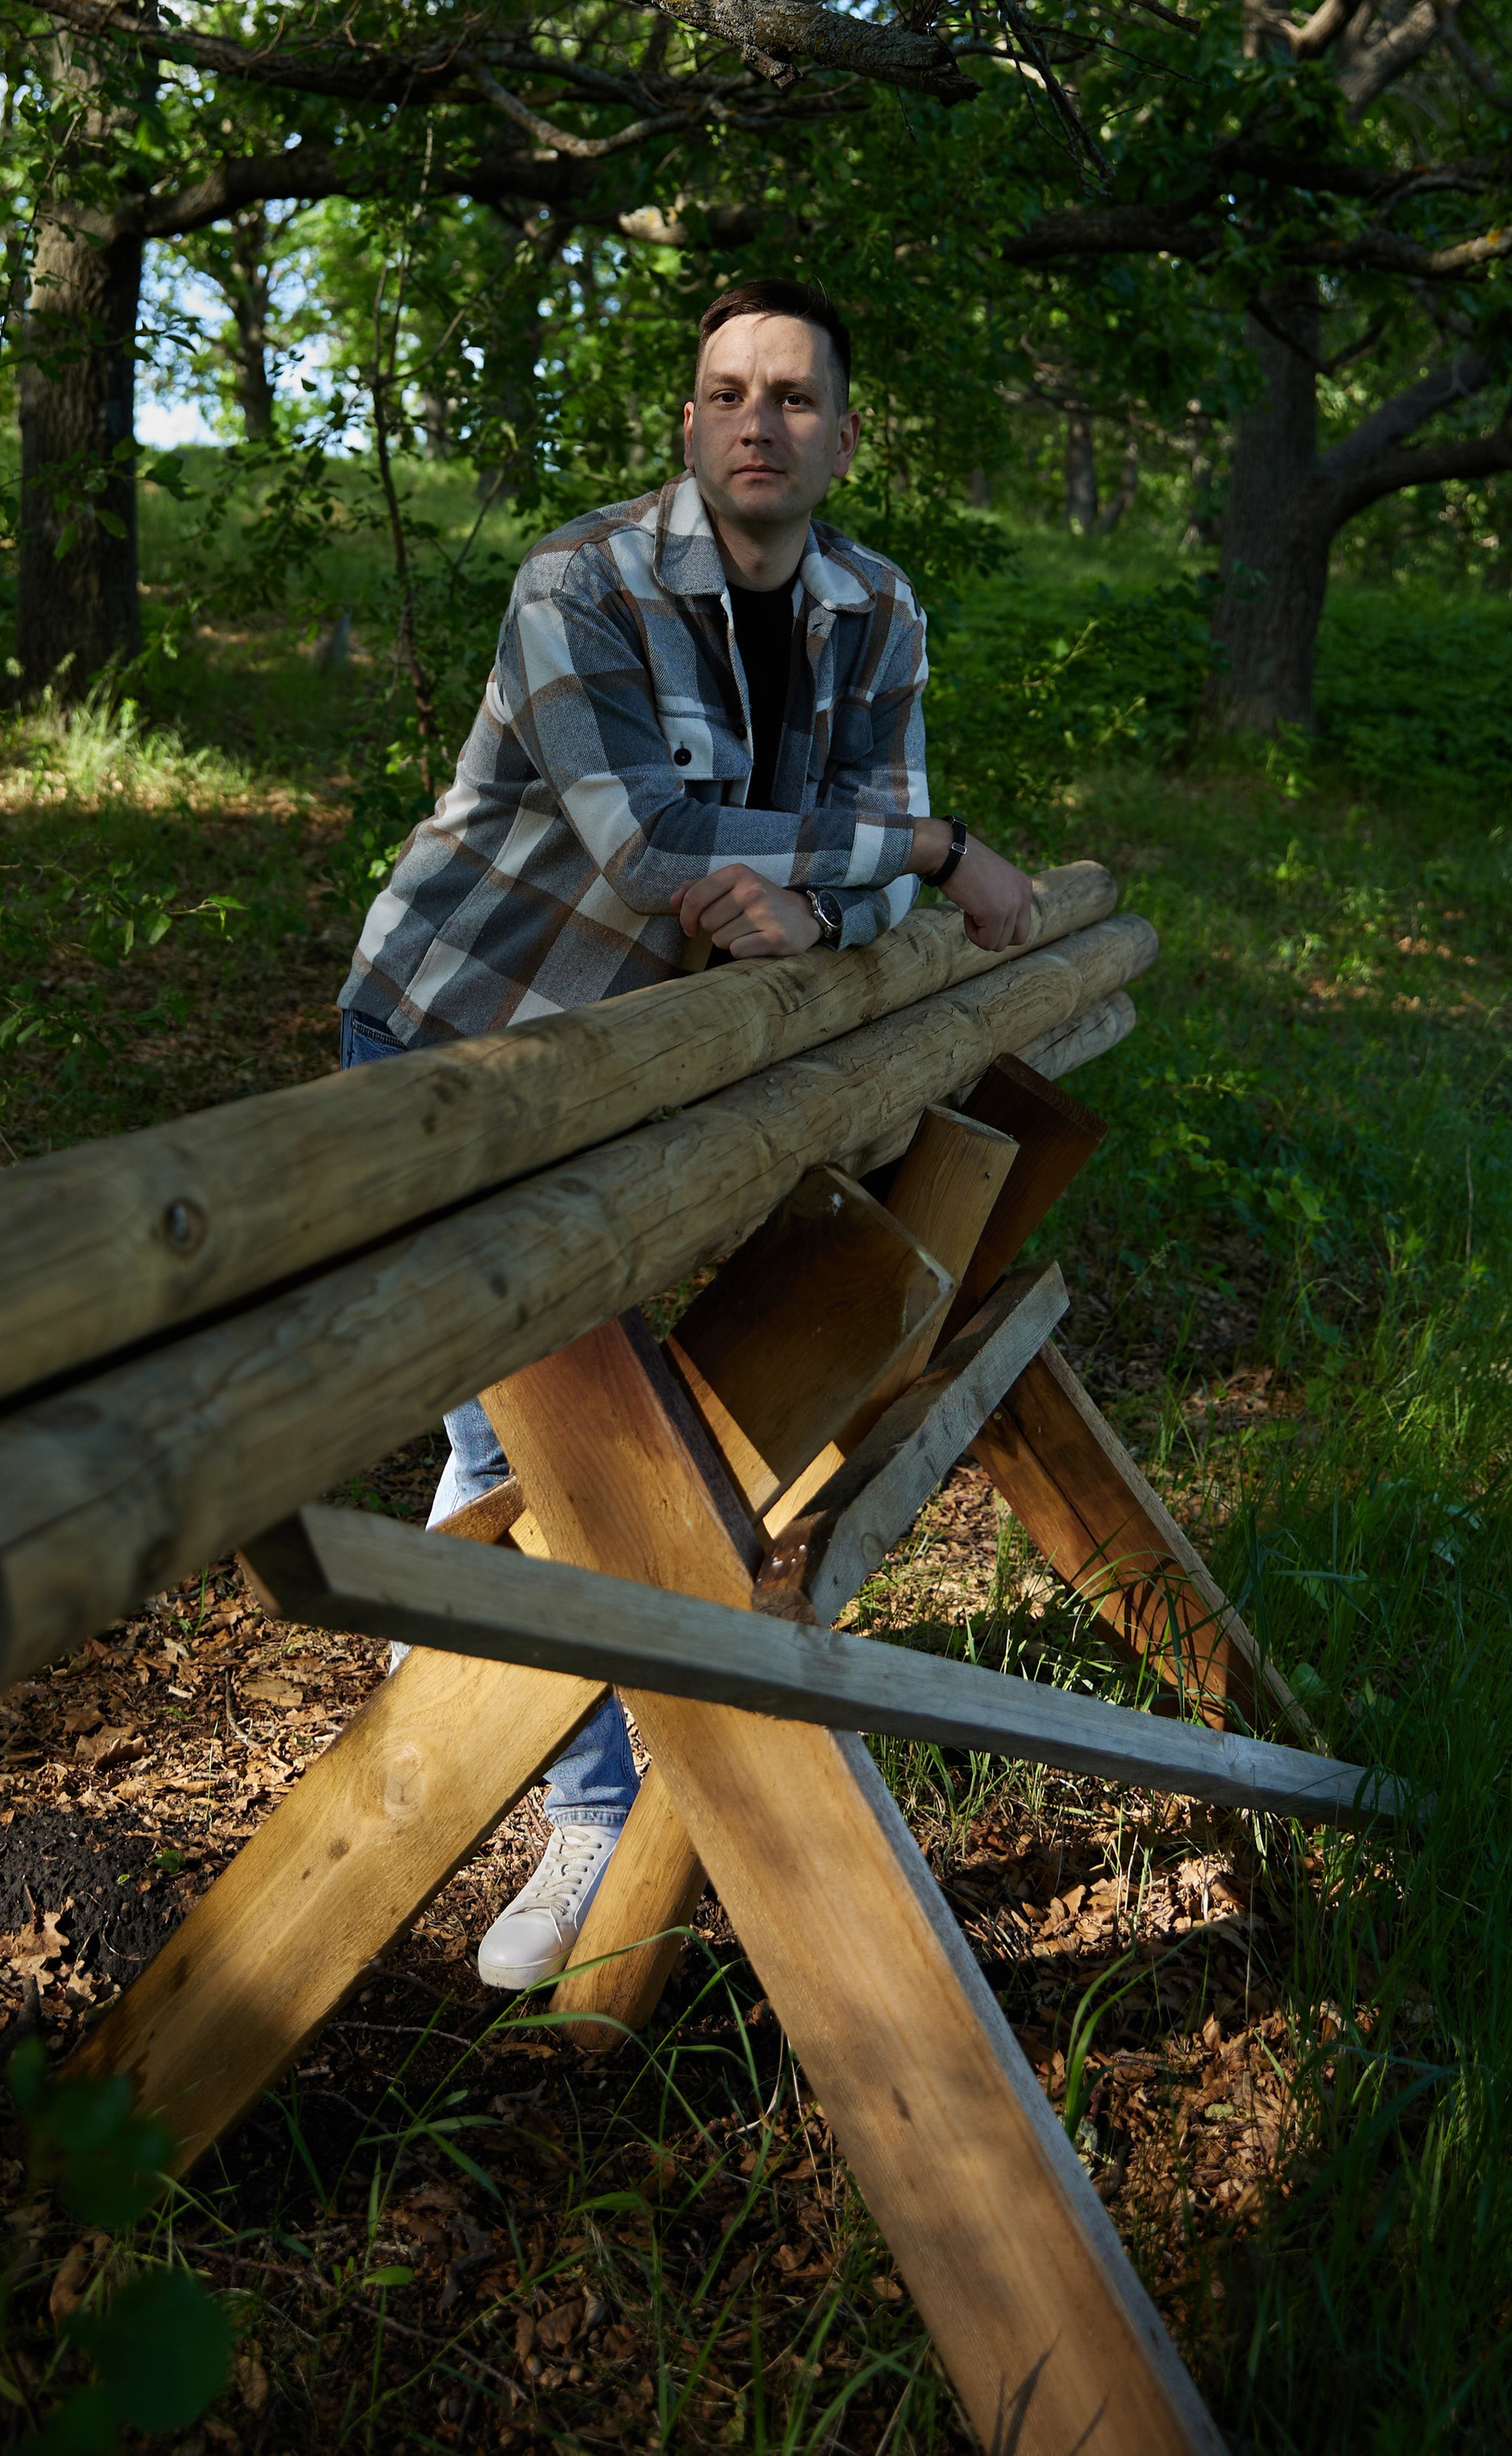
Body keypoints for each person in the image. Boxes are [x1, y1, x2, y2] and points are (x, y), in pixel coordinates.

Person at [337, 278, 1035, 1991]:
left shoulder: (875, 609)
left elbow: (828, 849)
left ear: (841, 435)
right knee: (541, 1444)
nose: (754, 421)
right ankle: (580, 1813)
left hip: (650, 1058)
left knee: (523, 1435)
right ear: (685, 424)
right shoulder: (575, 587)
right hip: (464, 1040)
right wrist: (930, 855)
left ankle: (471, 1732)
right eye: (723, 392)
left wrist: (816, 900)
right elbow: (649, 841)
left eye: (791, 396)